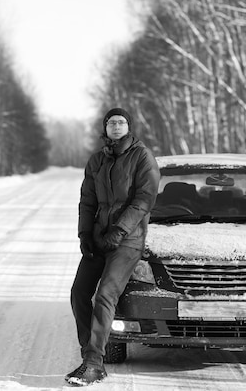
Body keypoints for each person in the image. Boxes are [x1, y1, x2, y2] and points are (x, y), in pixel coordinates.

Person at [65, 107, 160, 386]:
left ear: (128, 127)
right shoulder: (97, 160)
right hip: (98, 237)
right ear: (105, 128)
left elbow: (144, 199)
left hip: (127, 240)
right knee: (79, 292)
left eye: (121, 122)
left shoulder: (142, 156)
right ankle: (90, 356)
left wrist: (119, 231)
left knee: (105, 294)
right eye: (111, 122)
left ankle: (94, 364)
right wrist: (85, 234)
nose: (116, 126)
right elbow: (88, 201)